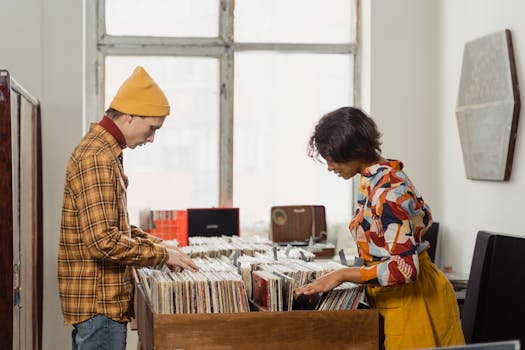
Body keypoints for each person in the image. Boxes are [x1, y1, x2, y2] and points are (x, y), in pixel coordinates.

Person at [295, 107, 464, 350]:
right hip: (399, 301)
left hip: (415, 305)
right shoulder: (374, 180)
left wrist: (342, 275)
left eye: (332, 157)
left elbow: (405, 269)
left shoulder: (389, 191)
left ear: (353, 150)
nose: (330, 167)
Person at [58, 66, 198, 350]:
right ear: (130, 116)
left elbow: (113, 227)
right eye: (152, 129)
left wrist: (160, 245)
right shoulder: (97, 156)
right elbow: (102, 242)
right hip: (101, 305)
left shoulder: (104, 151)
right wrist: (160, 255)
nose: (151, 139)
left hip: (101, 305)